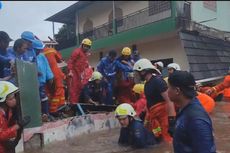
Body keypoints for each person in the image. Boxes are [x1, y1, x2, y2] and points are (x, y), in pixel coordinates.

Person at [167, 71, 216, 153]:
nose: (167, 91)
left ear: (177, 91)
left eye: (169, 87)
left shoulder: (196, 120)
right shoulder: (184, 108)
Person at [133, 58, 176, 143]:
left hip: (164, 117)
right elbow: (150, 101)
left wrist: (171, 121)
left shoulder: (158, 81)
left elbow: (169, 100)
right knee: (159, 140)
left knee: (167, 141)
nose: (136, 75)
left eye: (137, 73)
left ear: (143, 71)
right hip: (155, 116)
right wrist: (143, 114)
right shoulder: (147, 84)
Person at [0, 81, 31, 153]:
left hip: (7, 146)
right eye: (11, 99)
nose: (14, 100)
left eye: (14, 97)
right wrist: (18, 126)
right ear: (3, 101)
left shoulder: (9, 110)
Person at [33, 39, 54, 122]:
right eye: (37, 49)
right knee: (35, 100)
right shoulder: (29, 56)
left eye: (40, 49)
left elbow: (47, 67)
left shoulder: (42, 56)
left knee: (44, 98)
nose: (39, 51)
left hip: (41, 82)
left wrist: (50, 77)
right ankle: (38, 117)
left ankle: (46, 115)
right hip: (32, 83)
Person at [67, 38, 92, 105]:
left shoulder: (85, 54)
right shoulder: (77, 52)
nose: (86, 48)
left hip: (80, 74)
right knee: (73, 90)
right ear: (82, 45)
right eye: (85, 46)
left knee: (79, 89)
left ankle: (76, 105)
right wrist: (70, 71)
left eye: (88, 47)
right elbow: (71, 61)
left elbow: (84, 64)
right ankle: (73, 105)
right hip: (74, 73)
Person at [43, 47, 66, 116]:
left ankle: (50, 109)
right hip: (55, 74)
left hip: (45, 75)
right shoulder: (52, 50)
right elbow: (60, 60)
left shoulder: (38, 53)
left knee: (49, 93)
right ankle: (57, 109)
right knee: (59, 91)